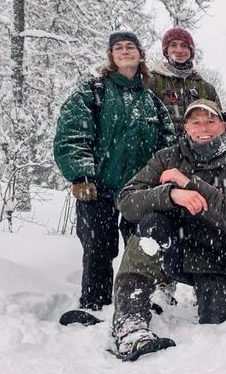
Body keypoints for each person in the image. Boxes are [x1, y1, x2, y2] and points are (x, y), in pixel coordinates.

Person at [109, 99, 226, 360]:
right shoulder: (166, 157)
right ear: (186, 127)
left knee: (219, 327)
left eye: (210, 121)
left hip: (214, 255)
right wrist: (170, 194)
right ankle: (130, 323)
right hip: (171, 248)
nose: (203, 128)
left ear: (222, 126)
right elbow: (128, 201)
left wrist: (189, 183)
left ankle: (205, 295)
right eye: (196, 122)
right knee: (150, 226)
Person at [53, 31, 175, 313]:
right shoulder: (93, 92)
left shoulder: (151, 101)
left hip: (139, 192)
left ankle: (137, 301)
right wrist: (81, 175)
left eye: (130, 47)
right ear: (111, 56)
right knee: (98, 249)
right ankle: (94, 305)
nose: (124, 51)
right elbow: (72, 134)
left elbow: (166, 147)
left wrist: (162, 181)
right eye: (118, 48)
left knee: (142, 247)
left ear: (140, 54)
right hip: (99, 188)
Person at [149, 27, 220, 134]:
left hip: (198, 148)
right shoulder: (152, 82)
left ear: (191, 51)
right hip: (163, 149)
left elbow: (217, 125)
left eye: (184, 46)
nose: (179, 50)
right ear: (166, 50)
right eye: (173, 45)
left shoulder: (206, 88)